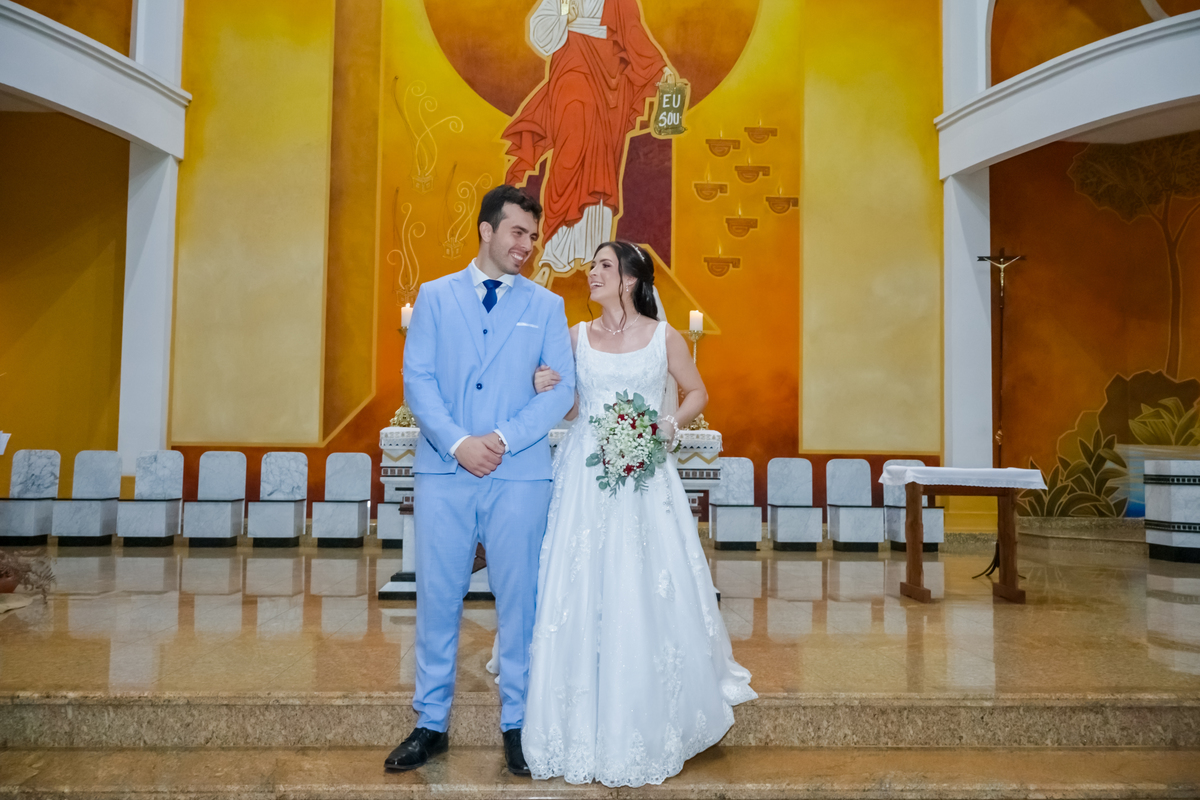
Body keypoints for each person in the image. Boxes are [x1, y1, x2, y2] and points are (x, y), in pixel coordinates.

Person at [522, 240, 756, 786]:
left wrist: (665, 426)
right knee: (581, 579)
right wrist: (542, 384)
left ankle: (653, 702)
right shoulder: (576, 337)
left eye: (604, 266)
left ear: (630, 279)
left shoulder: (663, 337)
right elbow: (572, 409)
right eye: (593, 265)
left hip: (646, 475)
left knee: (645, 578)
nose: (592, 273)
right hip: (585, 477)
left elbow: (696, 392)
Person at [387, 185, 576, 775]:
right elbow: (418, 380)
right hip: (445, 470)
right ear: (487, 230)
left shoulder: (547, 306)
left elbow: (563, 389)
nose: (527, 245)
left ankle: (518, 724)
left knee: (520, 602)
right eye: (518, 232)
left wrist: (501, 439)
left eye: (533, 237)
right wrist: (459, 443)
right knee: (437, 598)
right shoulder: (434, 297)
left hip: (518, 474)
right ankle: (430, 723)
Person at [503, 0, 669, 274]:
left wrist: (660, 69)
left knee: (603, 162)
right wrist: (564, 17)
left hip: (613, 81)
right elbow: (541, 34)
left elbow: (633, 33)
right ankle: (557, 250)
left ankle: (594, 252)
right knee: (570, 150)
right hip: (572, 66)